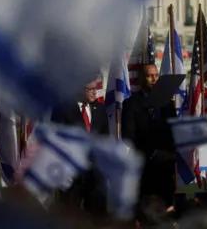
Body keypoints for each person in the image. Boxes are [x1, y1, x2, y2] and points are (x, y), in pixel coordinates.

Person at [121, 63, 177, 207]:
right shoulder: (131, 104)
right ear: (141, 79)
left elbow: (174, 132)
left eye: (156, 75)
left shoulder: (167, 104)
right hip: (144, 167)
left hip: (165, 167)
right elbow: (128, 136)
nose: (154, 79)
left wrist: (169, 153)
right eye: (149, 75)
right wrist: (151, 153)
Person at [51, 78, 109, 215]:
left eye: (96, 89)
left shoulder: (100, 109)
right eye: (91, 89)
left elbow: (105, 139)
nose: (95, 93)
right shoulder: (62, 108)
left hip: (94, 175)